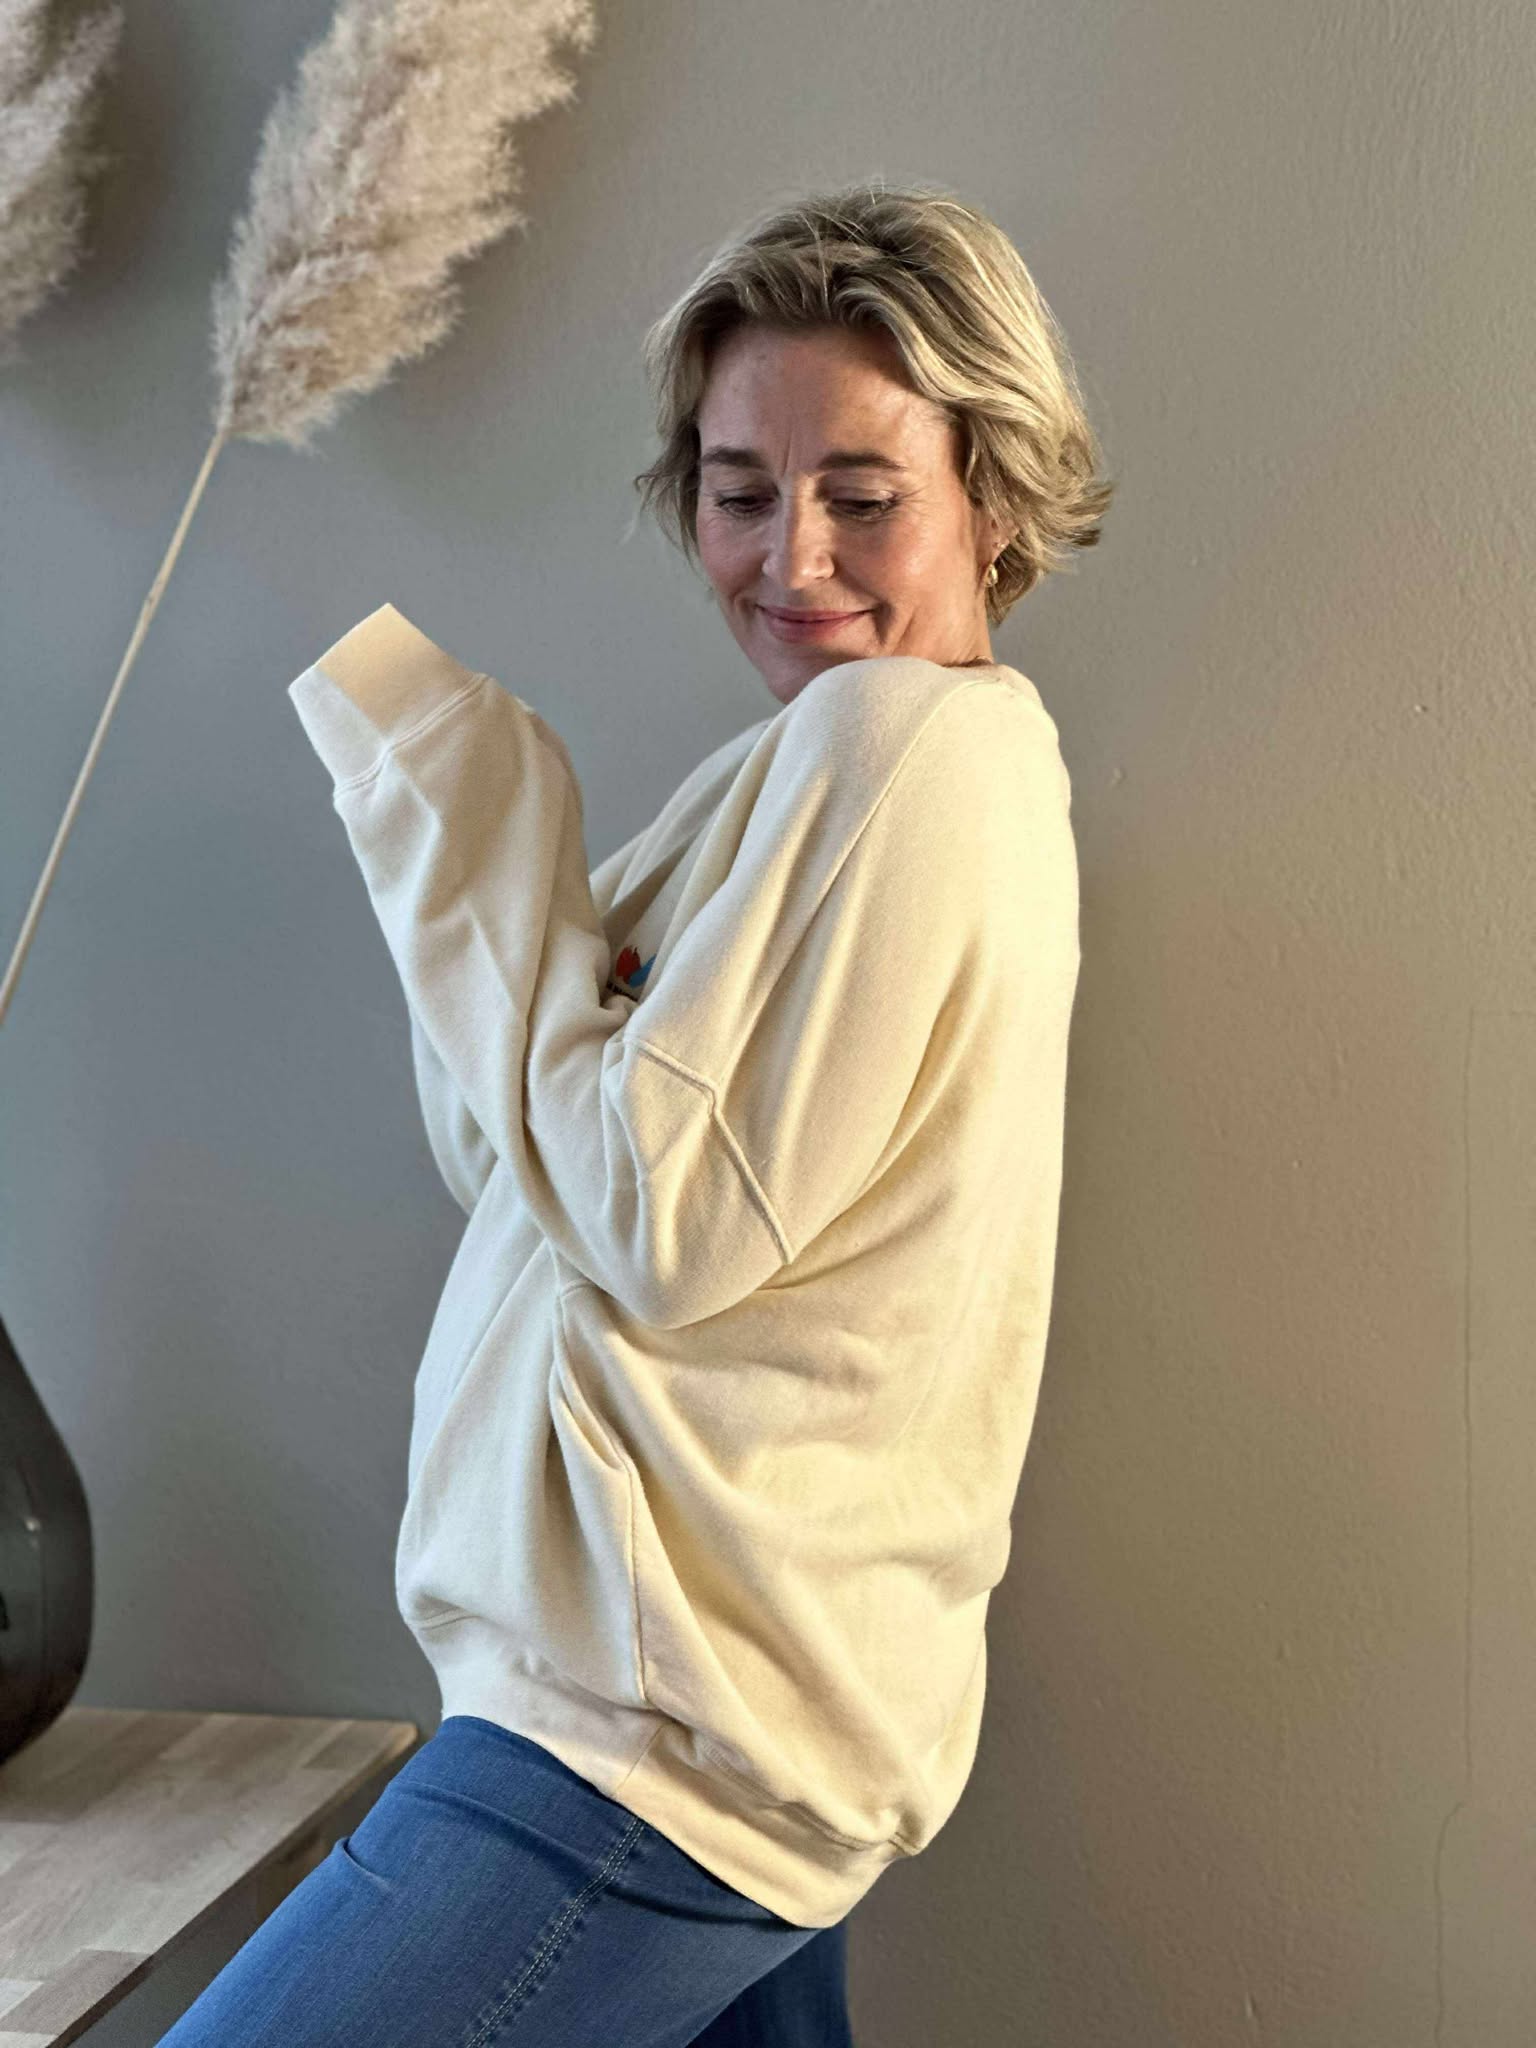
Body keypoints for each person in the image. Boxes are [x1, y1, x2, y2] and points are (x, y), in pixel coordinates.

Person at [159, 176, 1112, 2047]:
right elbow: (524, 1156)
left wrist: (469, 805)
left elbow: (656, 1215)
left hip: (641, 1741)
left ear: (993, 498)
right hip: (707, 1694)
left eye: (863, 493)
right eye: (741, 491)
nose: (793, 557)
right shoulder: (816, 773)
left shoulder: (897, 749)